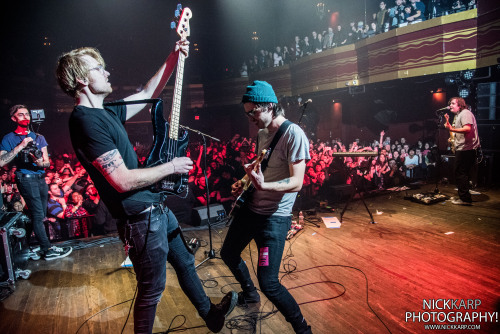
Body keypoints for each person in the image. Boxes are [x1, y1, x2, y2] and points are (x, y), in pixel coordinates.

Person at [56, 39, 237, 333]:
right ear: (81, 79)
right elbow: (122, 180)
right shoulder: (85, 122)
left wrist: (175, 55)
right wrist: (171, 166)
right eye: (98, 68)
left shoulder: (105, 112)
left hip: (155, 209)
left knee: (185, 263)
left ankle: (210, 315)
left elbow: (147, 92)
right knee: (152, 291)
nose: (107, 73)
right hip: (139, 219)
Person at [220, 81, 312, 334]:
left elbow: (297, 182)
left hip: (274, 218)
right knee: (228, 253)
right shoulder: (262, 134)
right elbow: (262, 168)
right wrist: (244, 181)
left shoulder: (293, 134)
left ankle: (303, 329)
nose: (250, 118)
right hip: (251, 210)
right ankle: (249, 293)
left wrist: (264, 186)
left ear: (270, 106)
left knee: (270, 284)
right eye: (246, 113)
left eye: (254, 112)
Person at [0, 105, 72, 261]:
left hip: (40, 178)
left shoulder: (39, 137)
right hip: (25, 178)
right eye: (21, 115)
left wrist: (40, 163)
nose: (26, 117)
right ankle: (47, 249)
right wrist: (21, 146)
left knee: (39, 214)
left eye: (27, 114)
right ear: (14, 118)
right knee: (38, 215)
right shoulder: (9, 138)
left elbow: (47, 163)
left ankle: (27, 246)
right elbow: (1, 161)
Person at [444, 97, 480, 205]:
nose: (450, 105)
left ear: (459, 105)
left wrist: (451, 129)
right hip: (463, 148)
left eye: (453, 103)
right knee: (462, 173)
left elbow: (467, 129)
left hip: (466, 149)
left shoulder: (465, 113)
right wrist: (449, 126)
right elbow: (457, 131)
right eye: (450, 103)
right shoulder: (458, 115)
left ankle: (465, 199)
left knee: (460, 172)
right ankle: (465, 196)